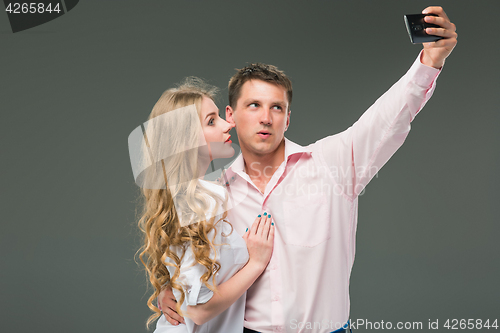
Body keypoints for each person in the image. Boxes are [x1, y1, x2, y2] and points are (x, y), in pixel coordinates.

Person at [160, 6, 457, 333]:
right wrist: (168, 290)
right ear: (232, 114)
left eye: (277, 107)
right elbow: (181, 253)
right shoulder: (213, 193)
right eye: (254, 105)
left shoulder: (334, 163)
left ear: (288, 118)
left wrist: (429, 62)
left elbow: (388, 118)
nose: (266, 117)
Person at [132, 77, 275, 332]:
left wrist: (171, 289)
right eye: (211, 121)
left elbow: (188, 278)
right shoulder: (202, 199)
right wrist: (256, 263)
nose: (227, 124)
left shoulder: (199, 192)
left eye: (220, 116)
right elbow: (198, 312)